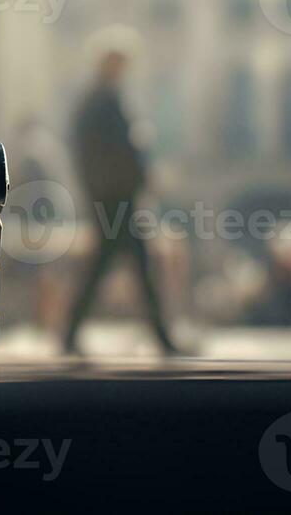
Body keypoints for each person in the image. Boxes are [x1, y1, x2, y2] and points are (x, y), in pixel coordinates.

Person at [61, 28, 180, 356]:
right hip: (115, 200)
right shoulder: (102, 101)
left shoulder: (101, 99)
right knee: (132, 267)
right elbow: (112, 153)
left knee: (117, 266)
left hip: (113, 198)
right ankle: (162, 337)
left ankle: (72, 334)